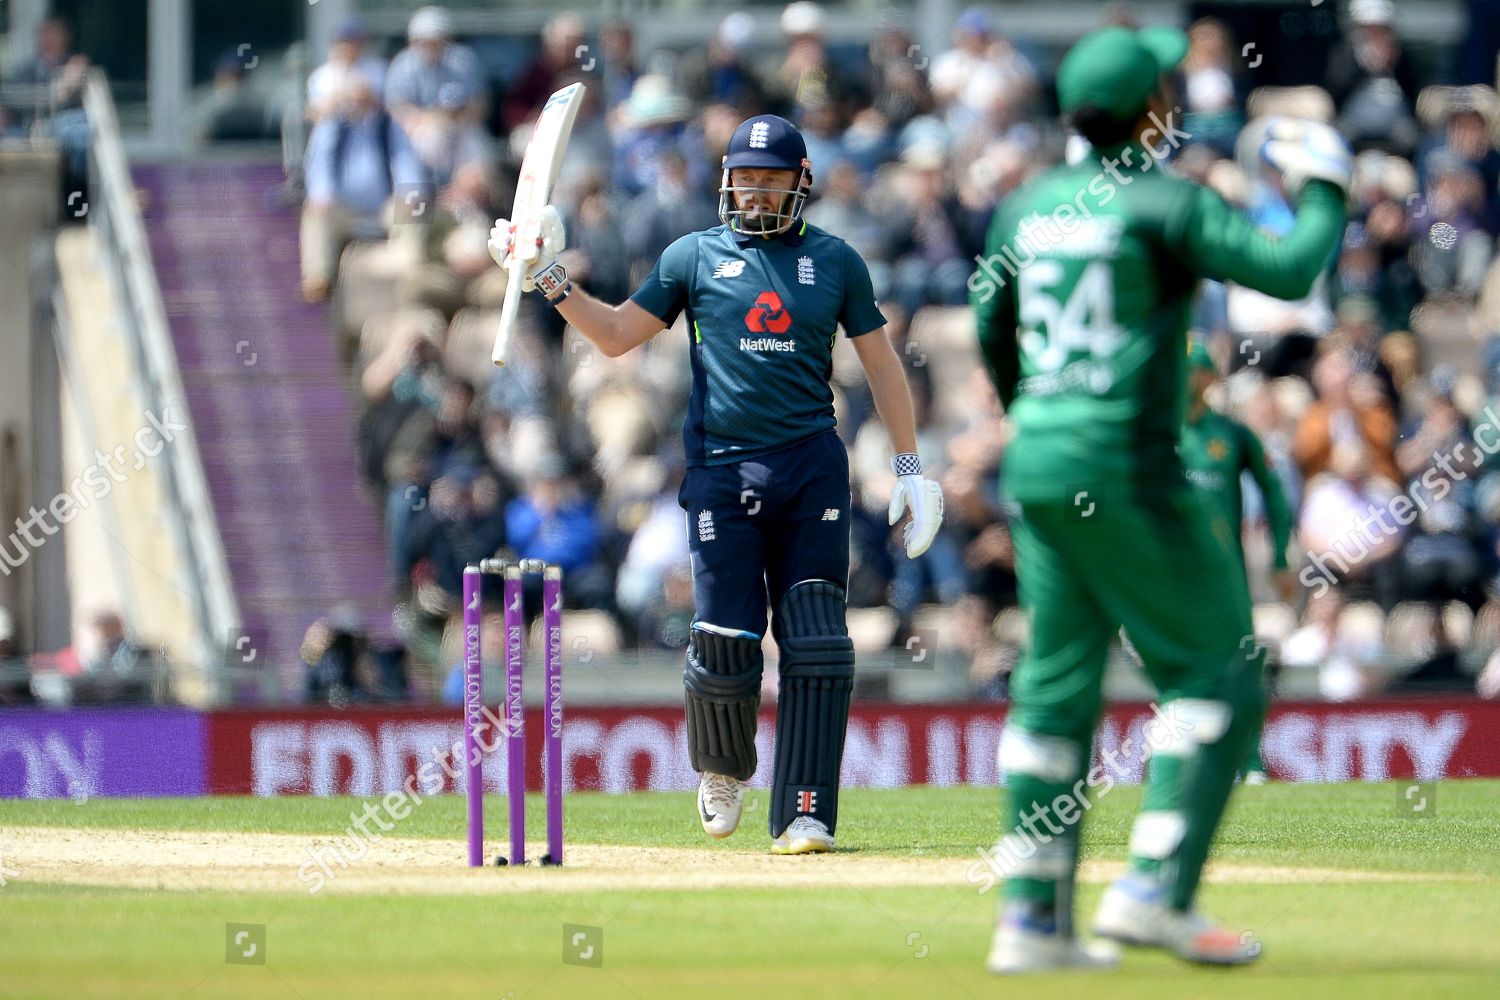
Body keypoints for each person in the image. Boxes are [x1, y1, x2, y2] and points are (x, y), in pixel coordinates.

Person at [972, 26, 1348, 972]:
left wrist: (1035, 410)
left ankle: (1032, 922)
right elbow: (1290, 270)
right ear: (1155, 111)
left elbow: (989, 319)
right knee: (1218, 671)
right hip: (1130, 467)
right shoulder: (1165, 202)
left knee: (1054, 695)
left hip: (1042, 465)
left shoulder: (1026, 205)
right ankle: (1153, 893)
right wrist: (1327, 185)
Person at [489, 113, 944, 854]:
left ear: (802, 183)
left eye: (770, 180)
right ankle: (723, 767)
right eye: (744, 178)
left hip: (811, 468)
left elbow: (883, 364)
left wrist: (909, 465)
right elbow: (614, 337)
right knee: (728, 641)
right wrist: (545, 276)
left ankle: (804, 810)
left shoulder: (835, 261)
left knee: (818, 643)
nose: (755, 193)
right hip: (723, 472)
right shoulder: (692, 257)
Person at [1181, 341, 1294, 783]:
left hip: (1224, 573)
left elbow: (1275, 491)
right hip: (1169, 572)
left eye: (1191, 370)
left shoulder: (1231, 435)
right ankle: (1189, 757)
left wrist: (1281, 555)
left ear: (1208, 379)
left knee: (1240, 665)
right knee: (1181, 669)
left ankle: (1248, 761)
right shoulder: (1155, 434)